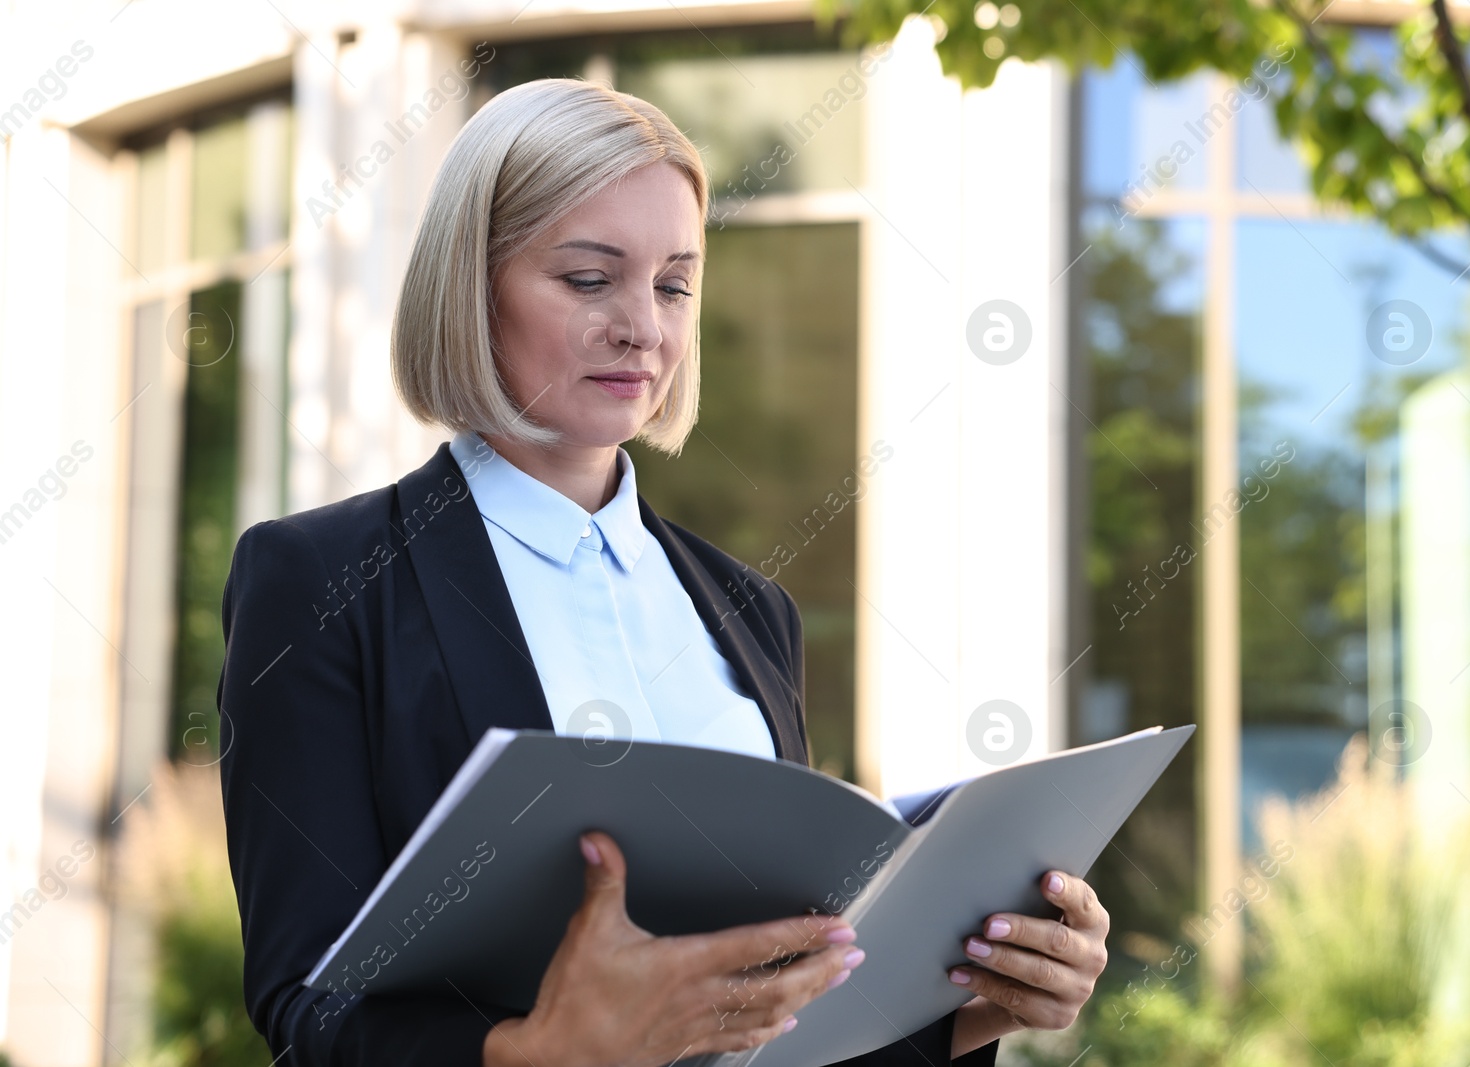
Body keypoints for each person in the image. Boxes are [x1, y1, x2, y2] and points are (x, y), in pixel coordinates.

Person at [216, 76, 1110, 1067]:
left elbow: (781, 1013)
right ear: (471, 284)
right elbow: (304, 1007)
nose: (644, 326)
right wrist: (531, 1050)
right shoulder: (322, 579)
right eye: (590, 278)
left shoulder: (748, 608)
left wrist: (990, 996)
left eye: (673, 282)